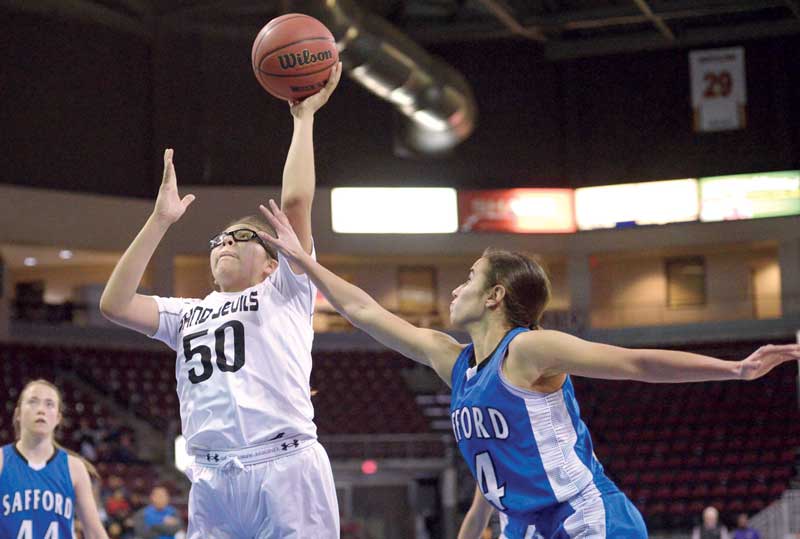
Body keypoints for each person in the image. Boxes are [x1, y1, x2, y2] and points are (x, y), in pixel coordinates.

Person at [256, 200, 800, 539]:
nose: (455, 287)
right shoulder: (456, 362)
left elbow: (634, 362)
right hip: (525, 527)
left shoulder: (527, 352)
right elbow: (365, 311)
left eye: (468, 277)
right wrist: (306, 264)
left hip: (586, 518)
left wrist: (735, 369)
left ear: (494, 296)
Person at [99, 64, 342, 539]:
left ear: (273, 261)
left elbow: (295, 205)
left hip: (284, 467)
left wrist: (304, 118)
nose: (224, 244)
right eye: (218, 239)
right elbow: (114, 303)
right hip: (211, 479)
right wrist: (160, 221)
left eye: (242, 236)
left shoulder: (285, 291)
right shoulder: (188, 313)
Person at [0, 379, 110, 539]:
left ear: (58, 418)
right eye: (33, 402)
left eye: (49, 404)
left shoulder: (74, 468)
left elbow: (94, 533)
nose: (41, 410)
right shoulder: (2, 461)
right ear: (18, 414)